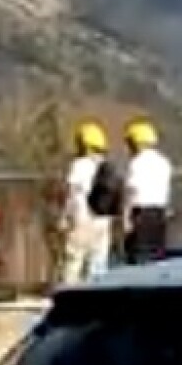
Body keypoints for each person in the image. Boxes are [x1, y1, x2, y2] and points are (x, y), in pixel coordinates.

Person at [61, 122, 120, 286]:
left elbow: (72, 193)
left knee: (74, 261)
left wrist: (66, 216)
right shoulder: (107, 166)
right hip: (103, 220)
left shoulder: (79, 165)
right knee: (98, 263)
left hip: (82, 217)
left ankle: (70, 298)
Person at [122, 119, 173, 265]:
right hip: (160, 213)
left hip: (141, 214)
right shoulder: (164, 162)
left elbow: (131, 192)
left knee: (137, 259)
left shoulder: (136, 163)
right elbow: (166, 191)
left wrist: (126, 219)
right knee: (157, 257)